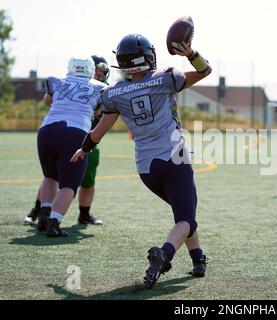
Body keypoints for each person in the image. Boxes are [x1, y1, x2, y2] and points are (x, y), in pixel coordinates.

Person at [71, 34, 212, 289]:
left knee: (183, 213)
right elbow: (205, 70)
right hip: (173, 158)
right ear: (148, 57)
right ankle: (164, 255)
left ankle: (198, 259)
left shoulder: (113, 93)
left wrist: (84, 149)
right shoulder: (165, 77)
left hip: (146, 169)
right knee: (186, 219)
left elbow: (97, 132)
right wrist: (190, 54)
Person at [24, 55, 110, 226]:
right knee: (69, 185)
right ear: (90, 69)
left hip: (47, 129)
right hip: (78, 134)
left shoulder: (57, 81)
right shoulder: (101, 88)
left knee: (50, 176)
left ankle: (44, 214)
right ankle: (53, 222)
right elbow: (99, 112)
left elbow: (48, 100)